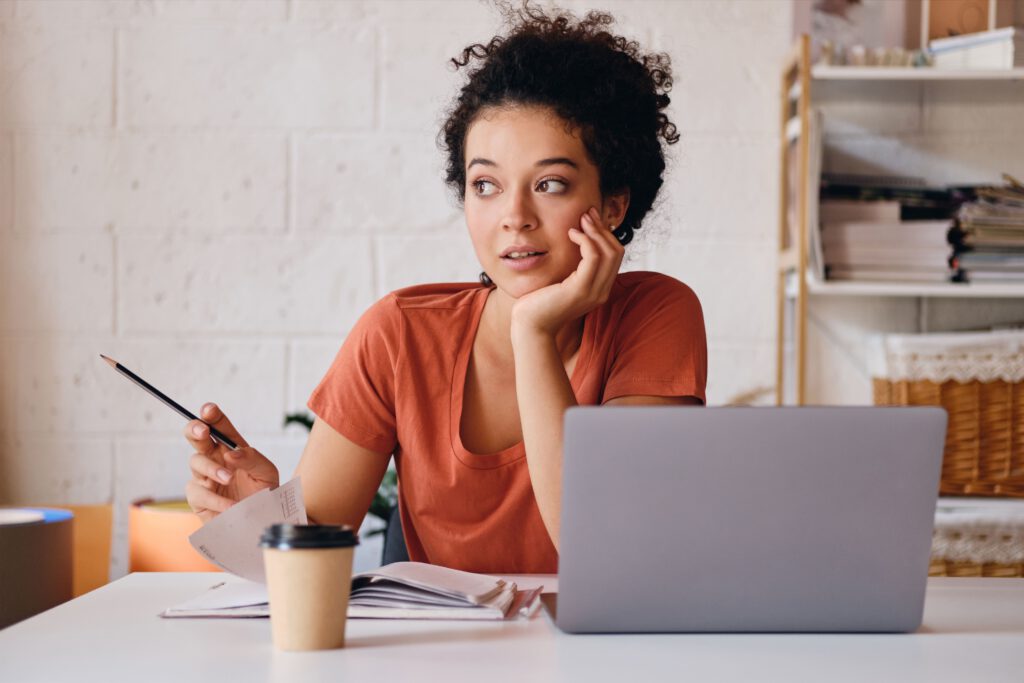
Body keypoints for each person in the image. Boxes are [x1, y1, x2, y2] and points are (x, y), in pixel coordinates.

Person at [184, 2, 707, 574]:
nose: (514, 216)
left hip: (600, 659)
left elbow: (601, 551)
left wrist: (532, 329)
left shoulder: (655, 314)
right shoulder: (400, 333)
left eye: (550, 183)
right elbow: (303, 572)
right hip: (443, 660)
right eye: (486, 184)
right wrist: (258, 521)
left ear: (612, 205)